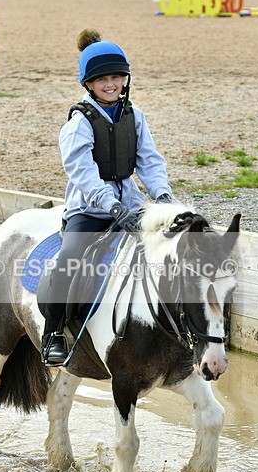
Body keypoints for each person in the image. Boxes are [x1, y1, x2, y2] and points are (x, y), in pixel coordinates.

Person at [41, 28, 173, 366]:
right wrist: (110, 205)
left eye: (116, 77)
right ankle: (53, 333)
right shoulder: (78, 123)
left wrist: (162, 195)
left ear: (125, 79)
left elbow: (149, 160)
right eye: (102, 80)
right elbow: (82, 172)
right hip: (89, 209)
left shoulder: (135, 115)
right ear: (88, 84)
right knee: (69, 261)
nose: (110, 84)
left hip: (130, 205)